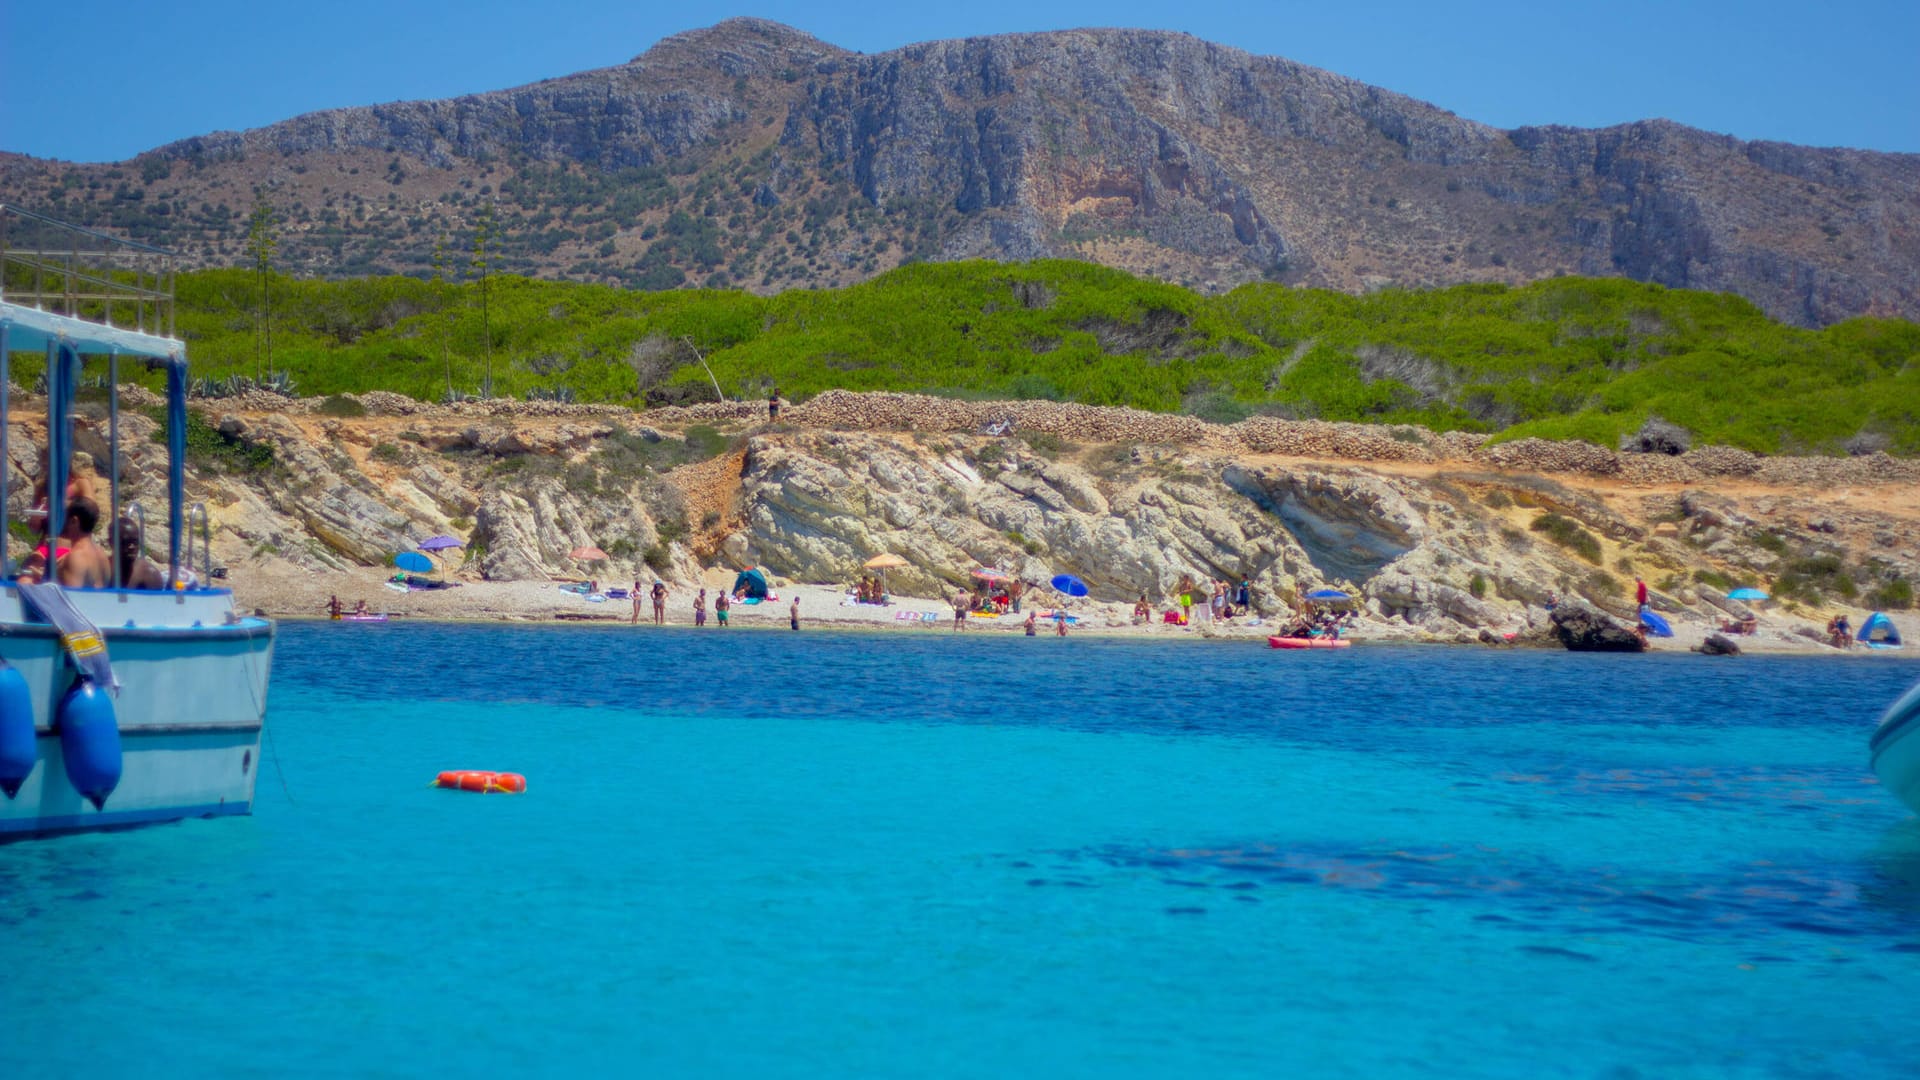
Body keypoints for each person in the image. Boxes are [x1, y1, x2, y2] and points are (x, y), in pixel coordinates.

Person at [114, 517, 167, 590]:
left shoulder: (149, 575)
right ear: (111, 542)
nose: (132, 546)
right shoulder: (105, 569)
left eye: (135, 542)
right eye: (126, 541)